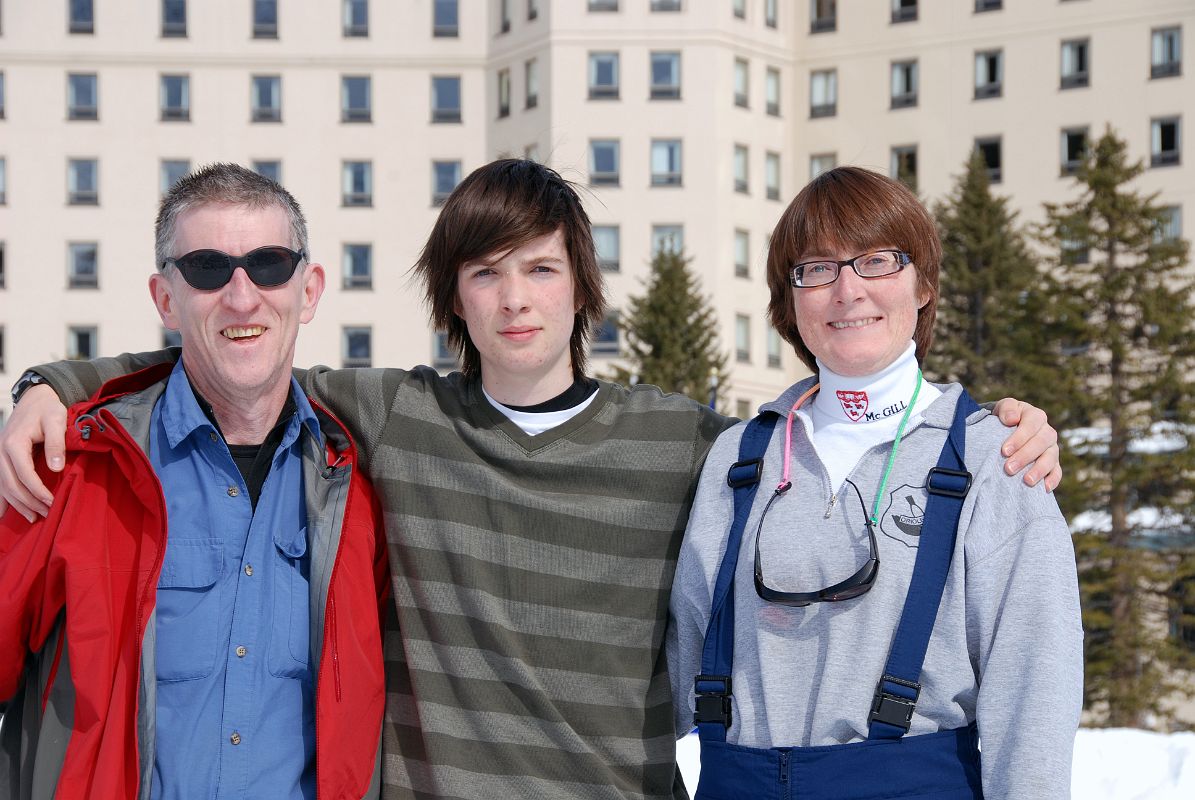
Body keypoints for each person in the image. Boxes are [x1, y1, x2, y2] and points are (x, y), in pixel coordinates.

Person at [0, 160, 1061, 800]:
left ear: (582, 287)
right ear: (452, 298)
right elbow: (236, 349)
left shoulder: (692, 444)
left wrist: (995, 423)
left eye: (541, 267)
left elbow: (840, 424)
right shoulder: (395, 416)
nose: (516, 299)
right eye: (485, 272)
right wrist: (51, 383)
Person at [667, 166, 1083, 799]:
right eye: (817, 268)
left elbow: (1034, 692)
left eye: (878, 261)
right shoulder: (738, 457)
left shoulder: (994, 459)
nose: (848, 290)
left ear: (922, 285)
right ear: (790, 300)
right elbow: (673, 668)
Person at [0, 164, 387, 799]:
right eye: (208, 268)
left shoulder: (359, 487)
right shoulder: (72, 469)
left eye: (269, 265)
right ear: (165, 298)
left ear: (310, 291)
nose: (242, 296)